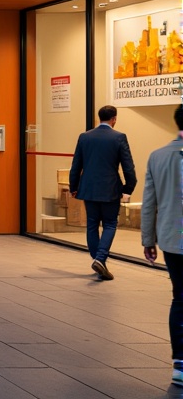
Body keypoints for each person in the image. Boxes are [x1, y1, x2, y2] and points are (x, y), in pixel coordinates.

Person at [141, 105, 183, 387]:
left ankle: (180, 363)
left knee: (180, 296)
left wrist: (147, 240)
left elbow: (149, 203)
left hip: (172, 239)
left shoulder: (158, 156)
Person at [69, 104, 137, 280]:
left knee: (92, 224)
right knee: (109, 224)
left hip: (89, 189)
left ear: (99, 118)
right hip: (110, 189)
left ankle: (98, 261)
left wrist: (73, 187)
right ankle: (100, 259)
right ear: (114, 119)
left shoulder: (85, 137)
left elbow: (76, 165)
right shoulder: (119, 137)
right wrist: (128, 188)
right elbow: (128, 167)